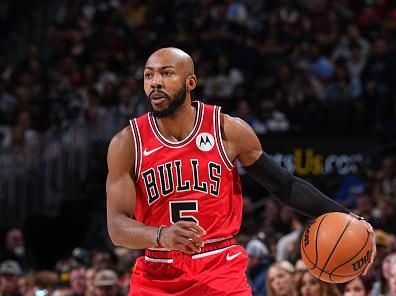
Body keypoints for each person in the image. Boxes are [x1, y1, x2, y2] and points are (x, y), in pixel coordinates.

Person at [106, 47, 376, 295]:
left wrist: (348, 217)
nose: (155, 82)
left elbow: (284, 186)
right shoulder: (127, 143)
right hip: (157, 272)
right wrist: (160, 235)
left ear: (190, 83)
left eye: (167, 73)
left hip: (220, 268)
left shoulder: (227, 130)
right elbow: (117, 226)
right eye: (148, 75)